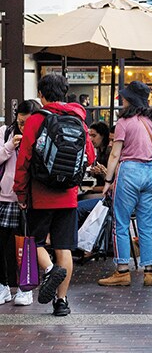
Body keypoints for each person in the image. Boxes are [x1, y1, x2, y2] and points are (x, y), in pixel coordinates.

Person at [13, 74, 95, 316]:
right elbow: (90, 157)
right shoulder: (78, 118)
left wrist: (20, 191)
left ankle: (49, 270)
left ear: (41, 94)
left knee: (34, 241)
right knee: (64, 248)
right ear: (65, 92)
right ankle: (62, 302)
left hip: (40, 193)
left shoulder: (37, 119)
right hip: (68, 195)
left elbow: (24, 159)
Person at [97, 81, 152, 287]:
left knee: (121, 222)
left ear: (131, 99)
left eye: (125, 96)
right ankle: (149, 271)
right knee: (146, 224)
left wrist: (108, 181)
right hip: (151, 172)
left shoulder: (124, 122)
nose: (122, 99)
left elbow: (115, 153)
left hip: (129, 172)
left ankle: (122, 271)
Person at [0, 100, 41, 307]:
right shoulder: (5, 132)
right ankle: (3, 286)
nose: (23, 127)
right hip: (5, 196)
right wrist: (9, 146)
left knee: (26, 244)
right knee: (2, 243)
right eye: (20, 122)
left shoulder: (41, 135)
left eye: (27, 123)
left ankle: (26, 288)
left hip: (29, 198)